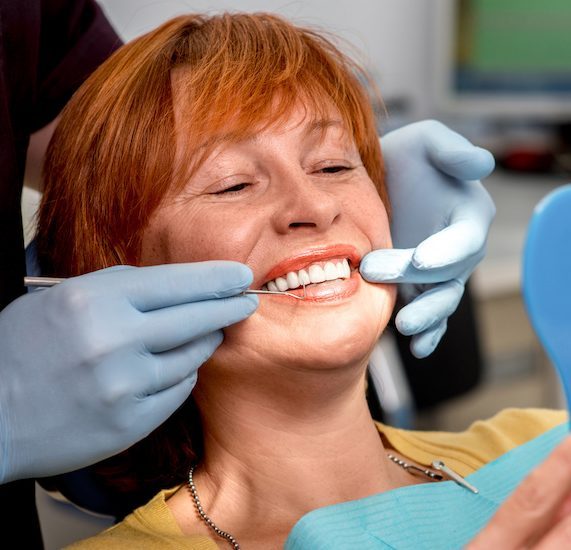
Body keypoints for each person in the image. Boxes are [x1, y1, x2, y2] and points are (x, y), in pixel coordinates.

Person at [32, 12, 567, 548]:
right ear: (121, 273)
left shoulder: (543, 445)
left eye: (334, 166)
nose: (313, 206)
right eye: (233, 184)